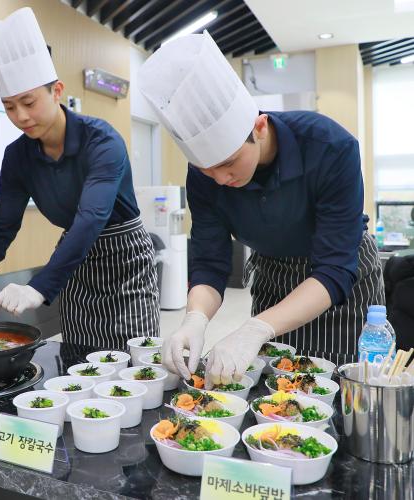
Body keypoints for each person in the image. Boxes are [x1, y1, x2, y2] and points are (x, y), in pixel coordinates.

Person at [138, 32, 384, 387]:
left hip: (341, 289)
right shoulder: (205, 176)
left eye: (228, 162)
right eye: (208, 169)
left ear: (260, 127)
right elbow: (211, 263)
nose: (220, 179)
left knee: (335, 394)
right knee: (271, 395)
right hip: (274, 278)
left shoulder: (331, 147)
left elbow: (334, 268)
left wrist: (255, 327)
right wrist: (194, 318)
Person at [0, 7, 159, 350]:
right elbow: (3, 224)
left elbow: (91, 218)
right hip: (74, 264)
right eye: (10, 106)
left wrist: (38, 286)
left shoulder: (102, 141)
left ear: (57, 91)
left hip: (125, 262)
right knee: (79, 355)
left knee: (134, 360)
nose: (21, 116)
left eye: (29, 102)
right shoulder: (18, 156)